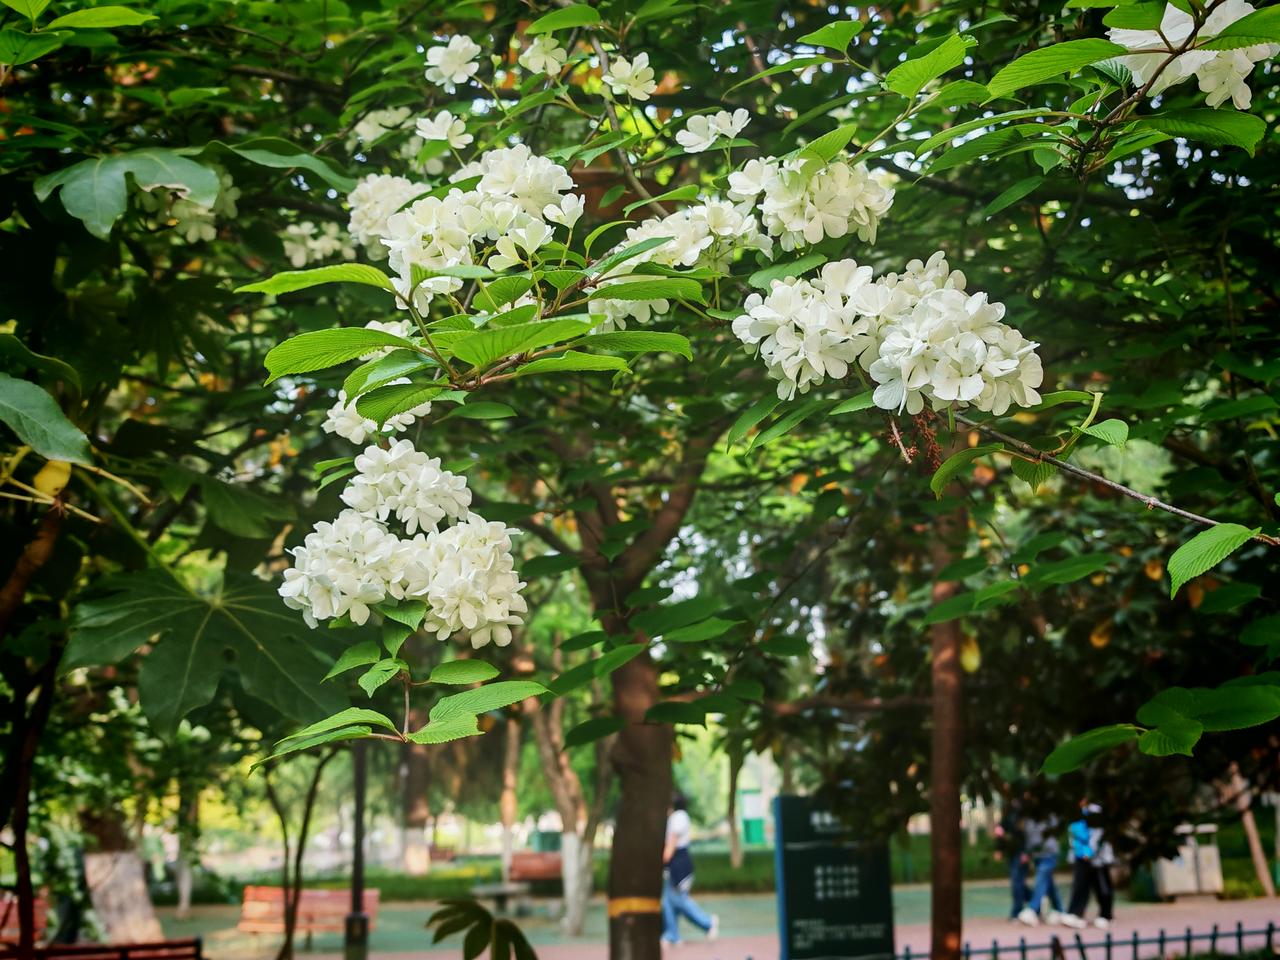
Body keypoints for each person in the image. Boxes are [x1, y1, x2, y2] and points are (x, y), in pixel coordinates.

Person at [661, 793, 719, 946]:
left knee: (678, 900)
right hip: (676, 865)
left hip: (679, 866)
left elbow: (670, 849)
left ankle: (707, 922)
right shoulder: (679, 817)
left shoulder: (677, 818)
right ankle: (672, 934)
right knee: (667, 901)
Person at [1064, 801, 1115, 930]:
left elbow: (1098, 838)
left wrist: (1090, 853)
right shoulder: (1081, 819)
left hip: (1099, 860)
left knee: (1102, 888)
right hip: (1084, 859)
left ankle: (1106, 915)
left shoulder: (1097, 816)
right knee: (1081, 886)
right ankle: (1075, 913)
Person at [1017, 815, 1064, 926]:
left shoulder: (1048, 815)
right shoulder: (1028, 817)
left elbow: (1056, 829)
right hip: (1037, 855)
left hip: (1049, 853)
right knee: (1049, 883)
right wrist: (1027, 852)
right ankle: (1061, 910)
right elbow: (1029, 837)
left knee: (1041, 879)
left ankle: (1033, 909)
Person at [995, 794, 1031, 921]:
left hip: (1021, 853)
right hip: (1012, 853)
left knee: (1017, 882)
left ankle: (1017, 911)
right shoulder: (1009, 811)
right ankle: (1034, 901)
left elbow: (1027, 836)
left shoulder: (1024, 812)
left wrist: (1026, 852)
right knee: (1018, 882)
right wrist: (999, 848)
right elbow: (1001, 829)